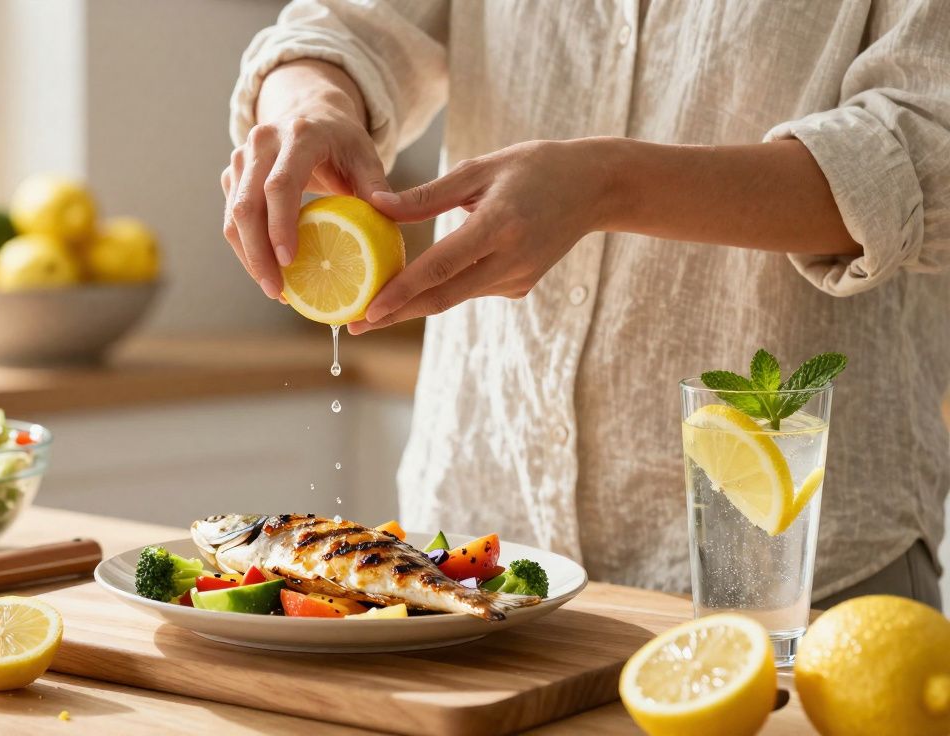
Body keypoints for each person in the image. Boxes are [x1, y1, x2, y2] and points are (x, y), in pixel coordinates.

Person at [222, 1, 949, 608]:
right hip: (472, 552)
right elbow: (347, 25)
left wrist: (609, 184)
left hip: (794, 574)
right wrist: (309, 103)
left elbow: (928, 152)